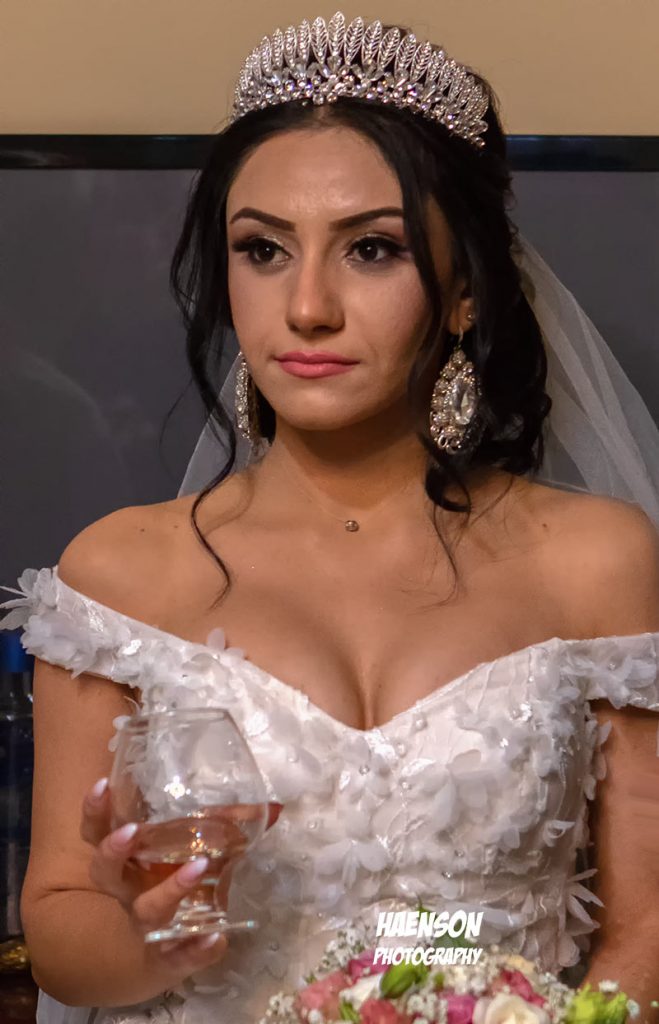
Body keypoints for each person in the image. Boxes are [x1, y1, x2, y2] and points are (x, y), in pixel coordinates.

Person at [1, 11, 659, 1024]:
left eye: (371, 250)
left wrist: (526, 1005)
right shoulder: (121, 574)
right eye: (262, 249)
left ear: (464, 292)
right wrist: (156, 931)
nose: (306, 307)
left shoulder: (593, 561)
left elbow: (643, 924)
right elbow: (59, 930)